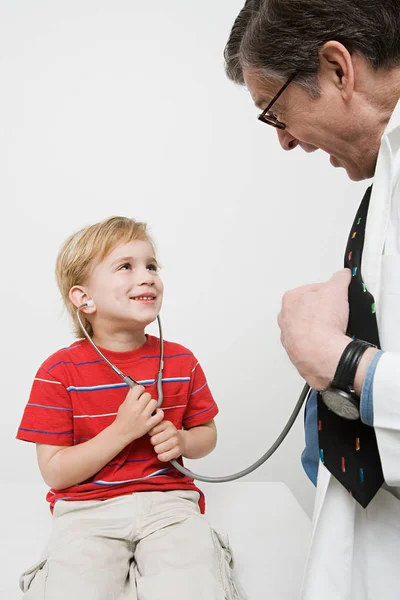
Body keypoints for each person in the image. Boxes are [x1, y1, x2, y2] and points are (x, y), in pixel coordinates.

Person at [224, 1, 400, 599]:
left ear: (336, 69)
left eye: (273, 112)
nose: (285, 142)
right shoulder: (384, 181)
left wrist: (346, 363)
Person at [16, 216, 242, 600]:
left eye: (151, 265)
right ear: (83, 298)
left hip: (170, 506)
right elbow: (55, 472)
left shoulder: (181, 361)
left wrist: (183, 441)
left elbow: (208, 436)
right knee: (72, 588)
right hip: (87, 511)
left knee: (195, 585)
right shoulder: (58, 372)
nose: (148, 276)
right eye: (126, 266)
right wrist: (122, 431)